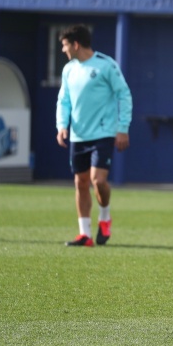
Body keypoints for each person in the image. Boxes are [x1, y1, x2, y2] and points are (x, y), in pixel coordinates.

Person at [56, 25, 133, 247]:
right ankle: (85, 234)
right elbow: (63, 100)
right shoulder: (69, 69)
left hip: (103, 133)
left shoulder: (106, 65)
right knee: (80, 182)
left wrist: (122, 127)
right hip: (78, 136)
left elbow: (124, 94)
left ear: (76, 44)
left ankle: (105, 218)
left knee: (98, 181)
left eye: (65, 45)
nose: (63, 50)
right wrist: (62, 125)